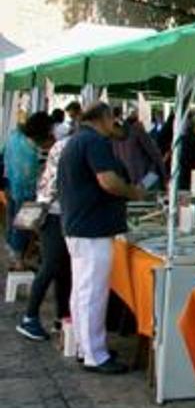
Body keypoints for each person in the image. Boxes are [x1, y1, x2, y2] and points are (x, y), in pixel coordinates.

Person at [58, 102, 146, 373]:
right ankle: (95, 354)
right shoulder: (94, 142)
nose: (114, 124)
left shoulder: (77, 140)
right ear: (105, 118)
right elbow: (108, 181)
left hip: (81, 225)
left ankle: (88, 348)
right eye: (113, 119)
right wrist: (133, 192)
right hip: (91, 228)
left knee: (83, 291)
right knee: (92, 293)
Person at [15, 130, 74, 341]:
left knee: (61, 268)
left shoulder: (63, 144)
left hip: (52, 210)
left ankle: (62, 317)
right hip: (55, 212)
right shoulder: (72, 147)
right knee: (51, 266)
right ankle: (29, 318)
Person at [3, 111, 54, 259]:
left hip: (9, 184)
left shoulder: (15, 136)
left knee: (13, 221)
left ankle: (14, 252)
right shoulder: (30, 152)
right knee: (24, 225)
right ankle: (18, 258)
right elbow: (31, 178)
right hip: (25, 192)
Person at [113, 111, 167, 190]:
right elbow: (155, 153)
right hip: (140, 181)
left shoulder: (135, 132)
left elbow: (155, 154)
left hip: (147, 179)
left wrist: (164, 175)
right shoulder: (112, 139)